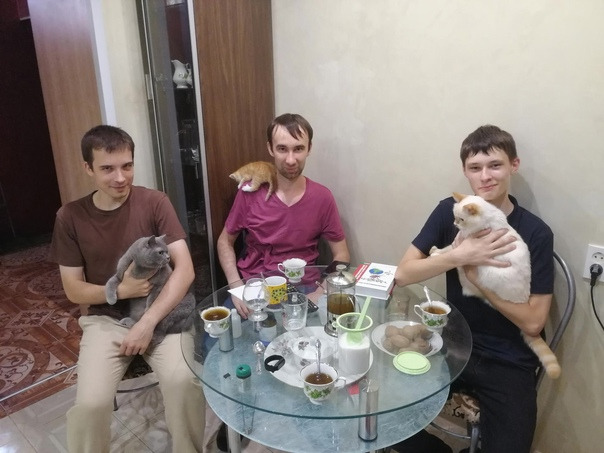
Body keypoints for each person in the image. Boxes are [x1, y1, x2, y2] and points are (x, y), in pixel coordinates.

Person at [394, 125, 554, 453]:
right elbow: (403, 274)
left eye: (495, 165)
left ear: (513, 165)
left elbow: (534, 322)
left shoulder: (535, 232)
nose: (485, 177)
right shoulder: (450, 212)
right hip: (452, 345)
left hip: (509, 359)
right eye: (475, 168)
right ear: (465, 171)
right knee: (384, 417)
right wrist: (459, 256)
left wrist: (481, 283)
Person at [49, 125, 205, 452]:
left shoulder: (155, 202)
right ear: (88, 168)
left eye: (127, 166)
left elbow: (185, 269)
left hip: (162, 313)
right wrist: (123, 291)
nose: (120, 178)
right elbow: (74, 290)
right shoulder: (70, 217)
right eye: (107, 168)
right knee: (90, 405)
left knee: (183, 383)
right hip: (106, 319)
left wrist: (147, 322)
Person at [217, 113, 350, 318]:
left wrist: (320, 291)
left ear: (309, 148)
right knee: (215, 336)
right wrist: (236, 287)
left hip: (305, 287)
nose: (290, 160)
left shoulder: (322, 197)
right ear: (270, 148)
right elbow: (225, 241)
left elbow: (342, 254)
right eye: (282, 149)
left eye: (298, 149)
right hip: (255, 287)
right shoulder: (250, 193)